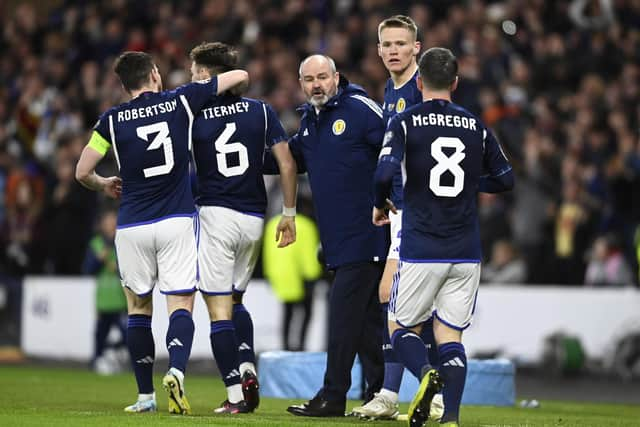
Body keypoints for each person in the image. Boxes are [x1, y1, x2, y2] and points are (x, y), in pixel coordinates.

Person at [75, 51, 248, 414]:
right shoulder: (181, 100)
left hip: (132, 225)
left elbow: (81, 171)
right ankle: (176, 373)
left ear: (124, 85)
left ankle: (144, 397)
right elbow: (237, 77)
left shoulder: (111, 119)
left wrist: (104, 183)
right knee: (180, 304)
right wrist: (209, 83)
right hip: (176, 221)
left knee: (138, 308)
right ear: (155, 74)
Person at [373, 47, 514, 427]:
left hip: (422, 245)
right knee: (451, 335)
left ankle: (425, 375)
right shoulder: (476, 125)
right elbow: (506, 179)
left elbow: (384, 174)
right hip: (466, 250)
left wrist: (379, 204)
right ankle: (450, 417)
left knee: (400, 327)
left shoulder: (405, 121)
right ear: (455, 82)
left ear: (419, 82)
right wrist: (469, 186)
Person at [188, 42, 297, 414]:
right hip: (254, 218)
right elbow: (286, 163)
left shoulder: (194, 115)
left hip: (215, 215)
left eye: (194, 72)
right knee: (236, 300)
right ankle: (248, 362)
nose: (191, 78)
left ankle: (235, 395)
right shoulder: (262, 111)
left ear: (206, 75)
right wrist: (290, 212)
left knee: (217, 310)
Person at [284, 54, 388, 417]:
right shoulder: (310, 125)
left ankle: (333, 396)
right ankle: (378, 393)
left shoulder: (360, 110)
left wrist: (392, 200)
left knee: (343, 319)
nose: (317, 85)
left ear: (336, 77)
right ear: (301, 84)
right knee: (365, 324)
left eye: (323, 77)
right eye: (309, 79)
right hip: (340, 243)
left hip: (367, 236)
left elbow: (396, 148)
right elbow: (283, 160)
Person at [351, 15, 442, 421]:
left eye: (401, 44)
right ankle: (391, 394)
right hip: (401, 208)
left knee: (398, 299)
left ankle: (426, 394)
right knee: (406, 307)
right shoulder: (392, 89)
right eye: (386, 44)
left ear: (417, 48)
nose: (392, 51)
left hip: (420, 212)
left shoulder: (423, 89)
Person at [263, 195, 322, 351]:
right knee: (306, 313)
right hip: (302, 278)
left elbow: (267, 252)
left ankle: (286, 346)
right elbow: (309, 255)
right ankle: (301, 345)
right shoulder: (307, 226)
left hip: (280, 276)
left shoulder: (272, 224)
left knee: (287, 313)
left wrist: (270, 274)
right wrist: (313, 276)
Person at [83, 209, 127, 374]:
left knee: (128, 336)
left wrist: (119, 268)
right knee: (99, 336)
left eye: (113, 221)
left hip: (121, 299)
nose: (110, 225)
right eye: (107, 221)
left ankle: (117, 355)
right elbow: (87, 270)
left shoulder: (124, 241)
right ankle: (96, 362)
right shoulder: (96, 244)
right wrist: (99, 259)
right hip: (103, 300)